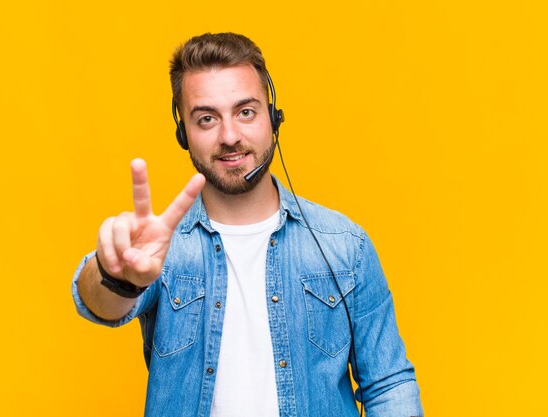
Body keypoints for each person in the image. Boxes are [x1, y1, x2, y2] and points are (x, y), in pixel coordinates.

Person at [72, 32, 423, 417]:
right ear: (183, 134)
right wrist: (115, 273)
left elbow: (389, 384)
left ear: (272, 118)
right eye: (206, 118)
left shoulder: (345, 245)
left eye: (246, 111)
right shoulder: (162, 247)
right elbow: (99, 305)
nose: (229, 136)